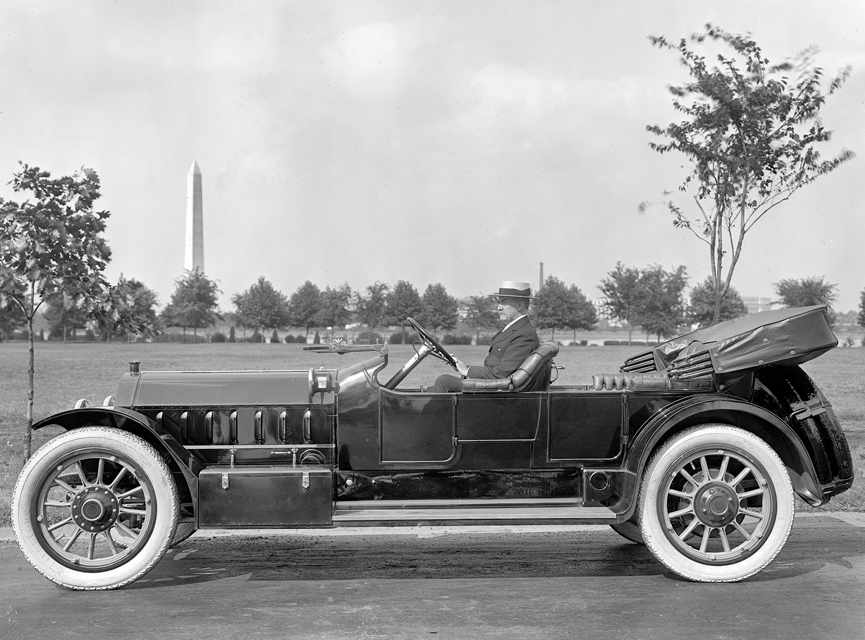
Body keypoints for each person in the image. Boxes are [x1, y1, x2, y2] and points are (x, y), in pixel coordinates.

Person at [427, 280, 540, 393]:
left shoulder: (524, 334)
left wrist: (467, 371)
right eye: (499, 303)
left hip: (498, 394)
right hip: (494, 387)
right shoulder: (516, 329)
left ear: (519, 305)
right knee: (431, 391)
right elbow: (496, 368)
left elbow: (502, 373)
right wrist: (462, 367)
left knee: (443, 381)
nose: (498, 308)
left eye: (504, 302)